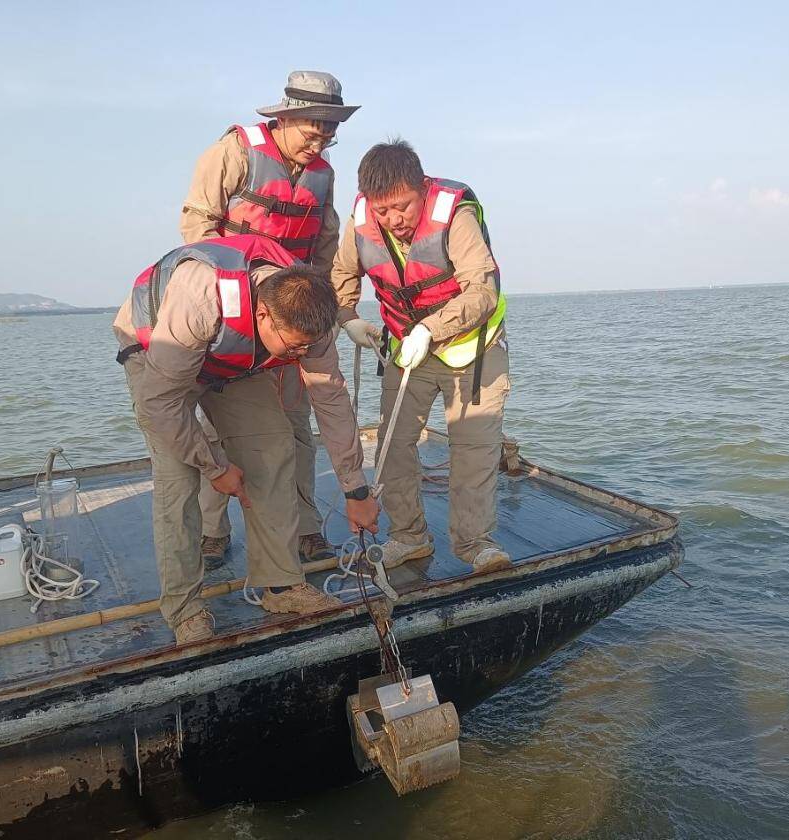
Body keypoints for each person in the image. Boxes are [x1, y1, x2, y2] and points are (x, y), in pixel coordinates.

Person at [114, 234, 380, 644]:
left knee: (274, 448)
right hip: (158, 354)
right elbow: (160, 406)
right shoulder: (199, 299)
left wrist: (355, 488)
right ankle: (184, 608)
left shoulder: (311, 322)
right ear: (261, 315)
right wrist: (216, 468)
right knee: (179, 477)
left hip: (234, 360)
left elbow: (331, 398)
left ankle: (281, 585)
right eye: (295, 347)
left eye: (308, 347)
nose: (301, 355)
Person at [179, 70, 359, 570]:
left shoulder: (323, 175)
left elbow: (323, 250)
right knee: (218, 428)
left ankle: (305, 527)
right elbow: (197, 232)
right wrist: (233, 303)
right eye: (313, 128)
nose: (321, 138)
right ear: (285, 116)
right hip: (235, 315)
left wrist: (325, 313)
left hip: (293, 319)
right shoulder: (232, 152)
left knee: (298, 426)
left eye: (330, 130)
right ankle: (214, 532)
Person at [331, 140, 511, 573]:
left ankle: (476, 546)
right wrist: (347, 317)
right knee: (392, 447)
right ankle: (408, 537)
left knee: (474, 449)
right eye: (383, 211)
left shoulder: (456, 214)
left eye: (403, 207)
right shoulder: (362, 220)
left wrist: (430, 329)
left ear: (422, 187)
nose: (394, 220)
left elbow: (483, 290)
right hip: (405, 352)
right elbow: (341, 274)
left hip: (473, 349)